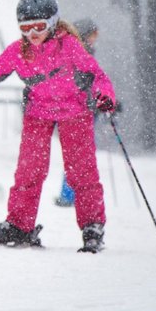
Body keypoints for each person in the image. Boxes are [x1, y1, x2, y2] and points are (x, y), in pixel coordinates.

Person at [0, 0, 116, 253]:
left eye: (39, 26)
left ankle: (92, 226)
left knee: (81, 171)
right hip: (38, 114)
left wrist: (105, 97)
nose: (33, 33)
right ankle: (19, 225)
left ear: (53, 23)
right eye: (26, 27)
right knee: (29, 171)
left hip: (75, 111)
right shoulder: (17, 52)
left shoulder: (69, 45)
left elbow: (98, 76)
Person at [55, 17, 100, 207]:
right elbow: (86, 85)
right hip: (78, 113)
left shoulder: (75, 53)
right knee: (77, 156)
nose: (95, 39)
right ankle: (69, 195)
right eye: (93, 35)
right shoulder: (79, 55)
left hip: (78, 111)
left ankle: (71, 194)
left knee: (77, 156)